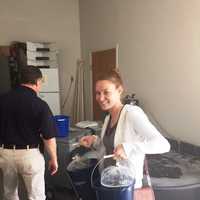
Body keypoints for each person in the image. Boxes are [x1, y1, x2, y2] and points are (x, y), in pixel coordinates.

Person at [79, 69, 170, 189]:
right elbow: (110, 147)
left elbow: (163, 144)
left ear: (119, 90)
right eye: (98, 93)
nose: (101, 98)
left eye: (106, 92)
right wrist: (95, 140)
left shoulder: (131, 113)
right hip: (109, 181)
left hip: (126, 186)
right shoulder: (108, 118)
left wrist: (128, 147)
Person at [0, 66, 58, 200]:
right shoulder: (40, 105)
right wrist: (54, 159)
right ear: (37, 82)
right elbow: (48, 137)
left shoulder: (2, 99)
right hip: (29, 156)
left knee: (9, 194)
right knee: (36, 196)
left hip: (5, 154)